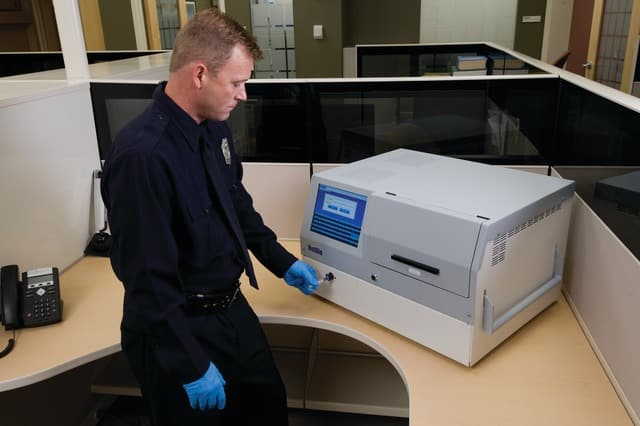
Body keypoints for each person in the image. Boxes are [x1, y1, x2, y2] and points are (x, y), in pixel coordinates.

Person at [100, 8, 319, 426]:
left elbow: (235, 203)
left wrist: (281, 261)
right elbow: (147, 279)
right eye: (236, 83)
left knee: (269, 406)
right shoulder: (142, 157)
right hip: (175, 326)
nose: (243, 95)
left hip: (229, 307)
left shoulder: (213, 126)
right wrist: (189, 364)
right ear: (200, 74)